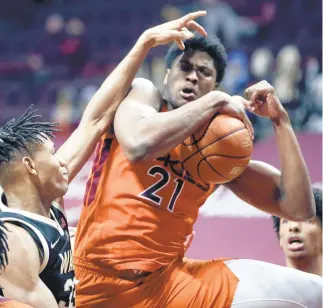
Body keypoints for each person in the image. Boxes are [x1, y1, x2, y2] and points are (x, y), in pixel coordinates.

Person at [74, 32, 322, 307]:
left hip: (167, 285)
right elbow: (138, 145)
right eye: (185, 67)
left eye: (204, 72)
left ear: (215, 84)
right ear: (167, 75)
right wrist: (215, 101)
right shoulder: (144, 97)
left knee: (316, 292)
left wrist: (281, 121)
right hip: (96, 280)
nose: (193, 76)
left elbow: (299, 208)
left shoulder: (218, 149)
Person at [0, 11, 206, 308]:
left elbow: (96, 119)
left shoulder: (46, 195)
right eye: (52, 154)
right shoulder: (16, 241)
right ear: (30, 168)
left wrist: (144, 43)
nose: (62, 160)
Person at [272, 186, 322, 276]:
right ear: (280, 240)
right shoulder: (270, 288)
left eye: (305, 220)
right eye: (286, 221)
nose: (294, 226)